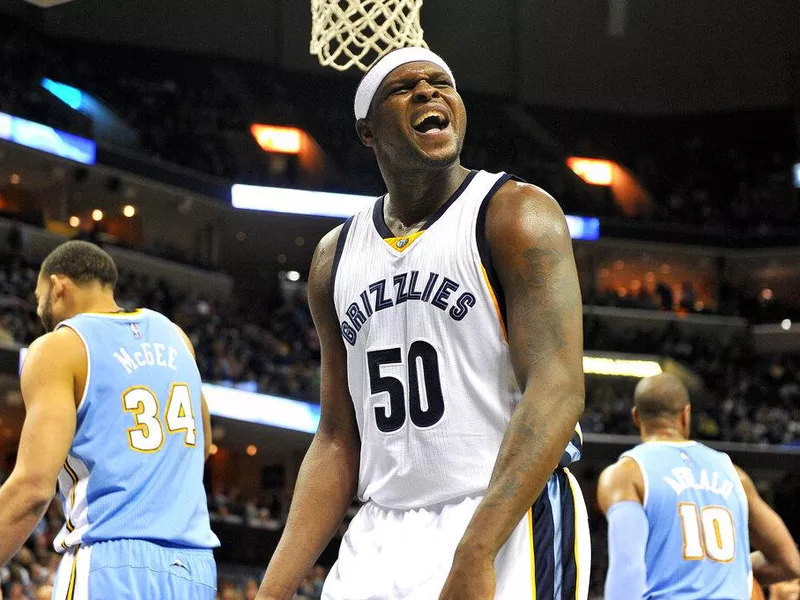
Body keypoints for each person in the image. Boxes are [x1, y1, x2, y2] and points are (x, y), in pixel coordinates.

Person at [257, 47, 587, 600]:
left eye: (442, 84)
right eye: (405, 87)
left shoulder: (514, 212)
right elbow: (338, 436)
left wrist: (477, 549)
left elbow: (557, 388)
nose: (430, 92)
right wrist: (273, 589)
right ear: (367, 131)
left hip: (503, 513)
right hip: (380, 527)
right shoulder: (332, 258)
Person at [0, 241, 219, 598]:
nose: (41, 313)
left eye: (40, 300)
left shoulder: (59, 347)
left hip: (111, 560)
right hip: (194, 569)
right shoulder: (177, 338)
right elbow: (203, 444)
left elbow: (32, 489)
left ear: (58, 287)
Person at [597, 373, 800, 600]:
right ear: (686, 414)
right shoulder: (734, 475)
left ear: (636, 417)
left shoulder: (625, 475)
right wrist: (725, 568)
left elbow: (628, 569)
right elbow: (789, 563)